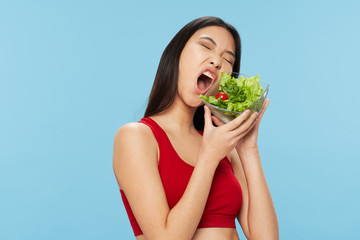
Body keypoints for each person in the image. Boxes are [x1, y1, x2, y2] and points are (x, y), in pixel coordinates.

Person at [113, 16, 279, 240]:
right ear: (176, 54)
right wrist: (209, 158)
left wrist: (248, 149)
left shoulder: (226, 147)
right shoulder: (136, 137)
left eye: (228, 59)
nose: (217, 62)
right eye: (206, 46)